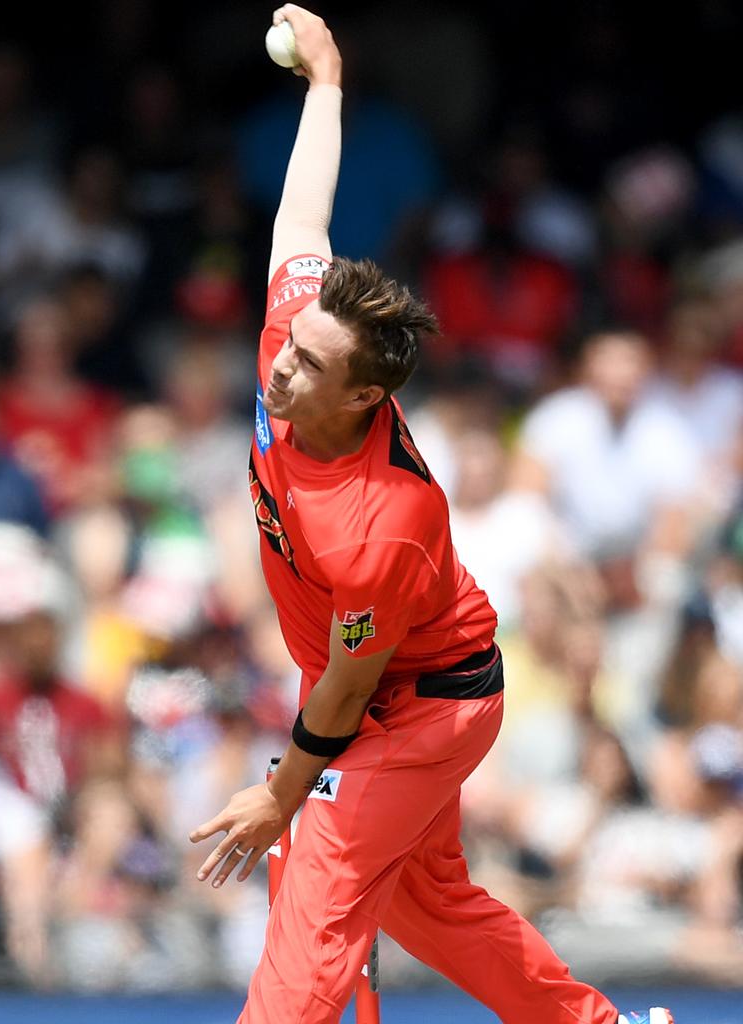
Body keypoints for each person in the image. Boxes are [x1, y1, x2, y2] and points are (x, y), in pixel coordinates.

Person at [189, 8, 673, 1024]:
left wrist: (282, 789)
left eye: (309, 366)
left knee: (316, 860)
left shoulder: (379, 521)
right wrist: (325, 84)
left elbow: (351, 686)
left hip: (426, 704)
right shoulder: (296, 336)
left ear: (366, 396)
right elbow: (301, 220)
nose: (279, 363)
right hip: (378, 693)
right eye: (288, 344)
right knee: (427, 901)